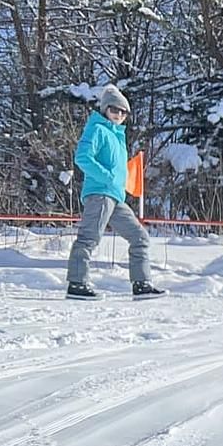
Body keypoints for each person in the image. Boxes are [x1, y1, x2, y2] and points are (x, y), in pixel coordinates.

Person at [66, 84, 162, 300]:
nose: (118, 115)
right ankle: (77, 284)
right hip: (100, 193)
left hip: (115, 197)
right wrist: (107, 177)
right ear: (105, 109)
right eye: (114, 110)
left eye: (122, 111)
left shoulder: (117, 135)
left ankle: (142, 283)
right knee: (89, 238)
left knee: (139, 236)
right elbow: (82, 157)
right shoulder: (97, 128)